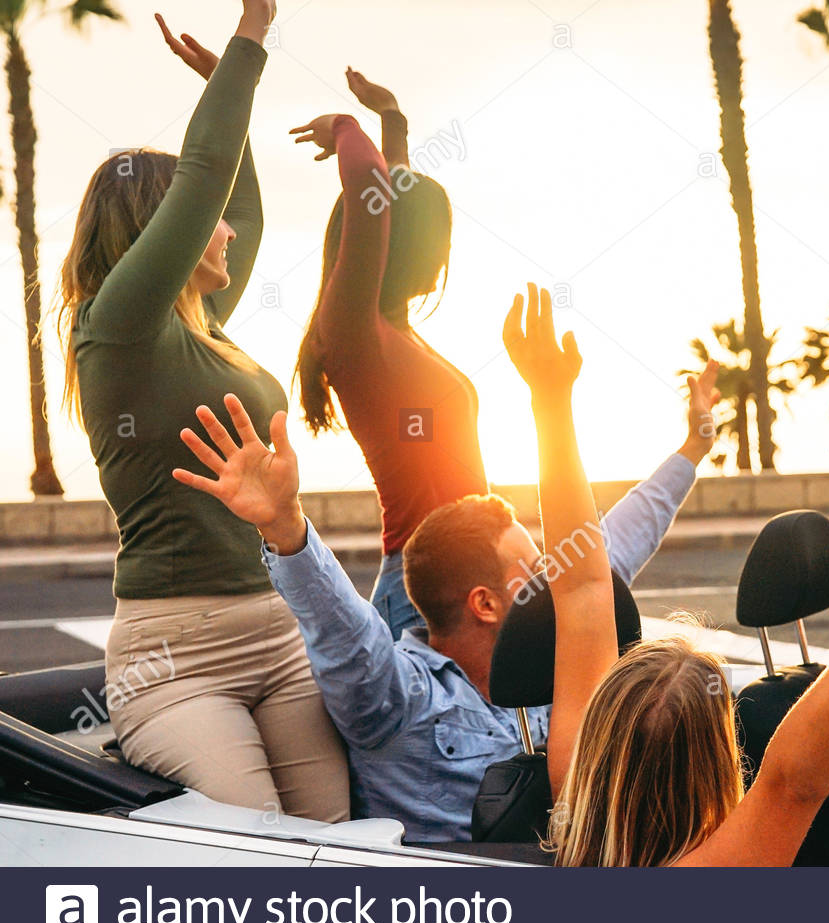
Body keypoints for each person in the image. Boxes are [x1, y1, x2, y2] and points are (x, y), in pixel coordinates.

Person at [171, 287, 723, 843]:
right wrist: (285, 526)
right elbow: (341, 629)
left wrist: (693, 450)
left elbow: (601, 560)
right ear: (484, 603)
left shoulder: (558, 670)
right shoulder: (397, 696)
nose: (551, 576)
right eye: (535, 569)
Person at [485, 288, 829, 867]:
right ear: (717, 760)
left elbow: (584, 587)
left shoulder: (572, 806)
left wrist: (549, 401)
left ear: (594, 746)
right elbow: (792, 779)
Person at [52, 2, 349, 823]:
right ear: (161, 230)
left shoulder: (203, 327)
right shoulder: (117, 330)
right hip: (174, 659)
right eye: (197, 219)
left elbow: (237, 207)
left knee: (345, 849)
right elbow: (207, 182)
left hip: (278, 634)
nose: (225, 233)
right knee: (265, 858)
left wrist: (223, 90)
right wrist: (251, 36)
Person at [288, 71, 485, 641]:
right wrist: (347, 128)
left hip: (457, 581)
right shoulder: (355, 335)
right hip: (423, 598)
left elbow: (388, 192)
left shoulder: (388, 332)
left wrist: (392, 120)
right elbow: (372, 191)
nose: (445, 250)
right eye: (437, 234)